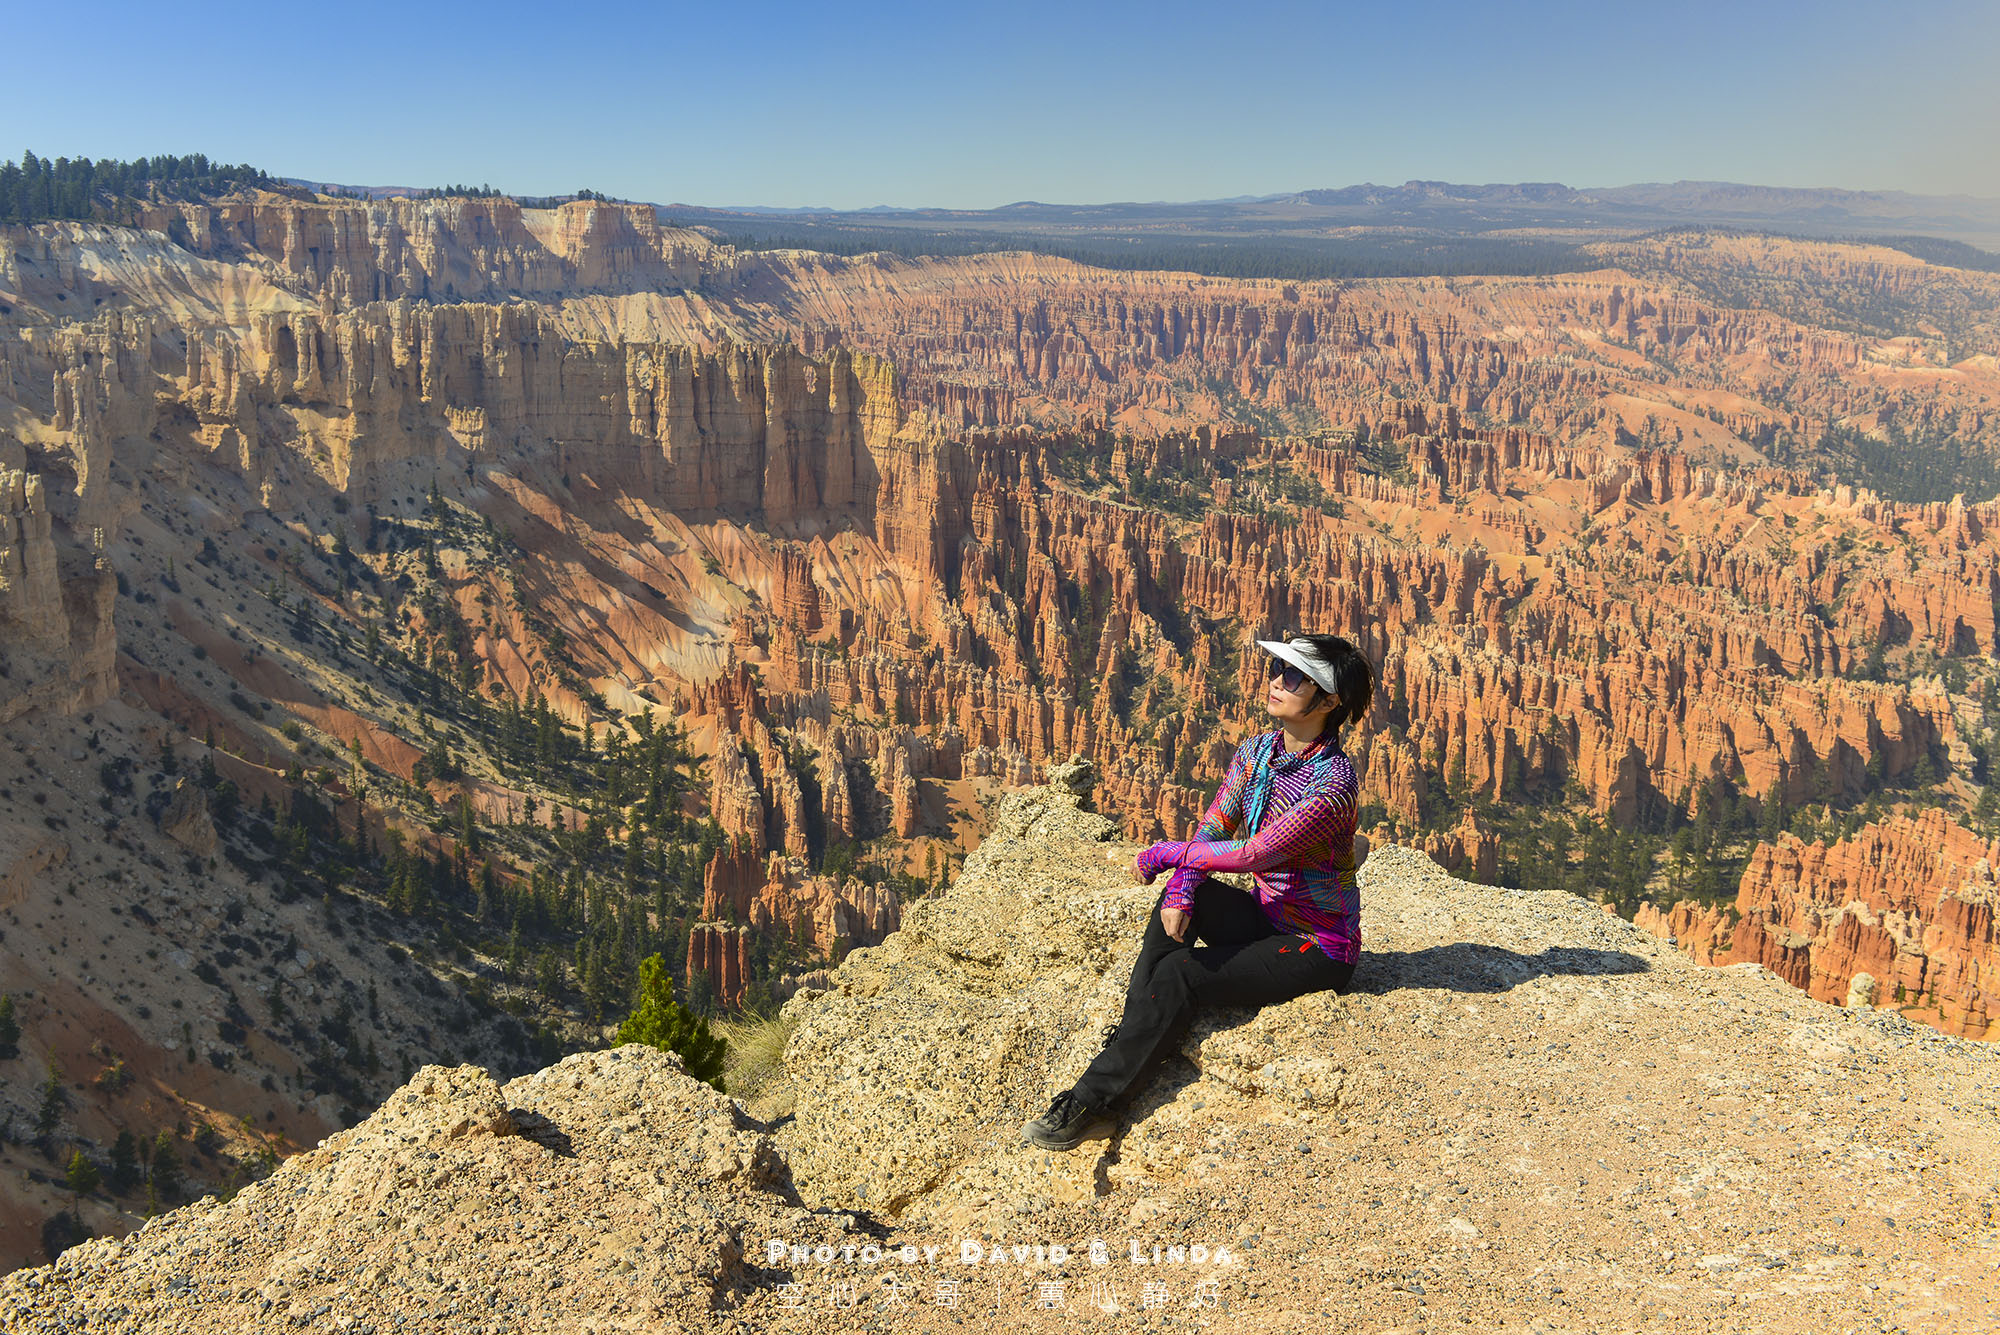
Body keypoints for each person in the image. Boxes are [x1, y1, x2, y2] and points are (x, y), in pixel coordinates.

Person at [1022, 632, 1375, 1151]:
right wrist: (1184, 885)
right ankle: (1132, 1036)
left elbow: (1256, 854)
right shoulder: (1259, 751)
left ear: (1328, 701)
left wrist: (1169, 854)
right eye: (1278, 668)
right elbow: (1216, 824)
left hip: (1316, 945)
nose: (1277, 680)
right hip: (1266, 914)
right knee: (1174, 903)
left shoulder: (1332, 784)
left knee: (1182, 975)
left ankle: (1096, 1104)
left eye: (1295, 676)